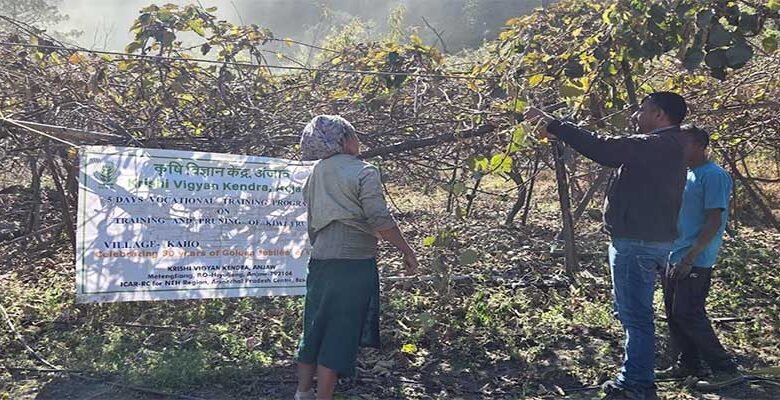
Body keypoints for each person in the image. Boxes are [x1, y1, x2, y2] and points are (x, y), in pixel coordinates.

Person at [525, 92, 689, 400]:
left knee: (635, 316)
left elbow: (605, 149)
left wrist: (553, 123)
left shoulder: (656, 144)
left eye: (643, 110)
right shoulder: (674, 144)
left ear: (659, 115)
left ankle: (636, 384)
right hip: (653, 238)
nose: (637, 116)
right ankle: (639, 378)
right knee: (639, 314)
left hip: (637, 243)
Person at [294, 115, 418, 400]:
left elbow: (312, 218)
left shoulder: (314, 173)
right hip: (352, 264)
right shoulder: (363, 171)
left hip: (321, 262)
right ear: (345, 140)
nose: (358, 140)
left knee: (315, 325)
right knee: (339, 332)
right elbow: (379, 220)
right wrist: (406, 250)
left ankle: (303, 392)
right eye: (355, 134)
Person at [657, 126, 743, 389]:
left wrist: (691, 257)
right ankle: (687, 364)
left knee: (689, 313)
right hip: (674, 253)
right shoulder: (687, 174)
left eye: (682, 144)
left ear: (698, 145)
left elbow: (714, 220)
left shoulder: (714, 176)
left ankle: (725, 368)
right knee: (673, 312)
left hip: (695, 258)